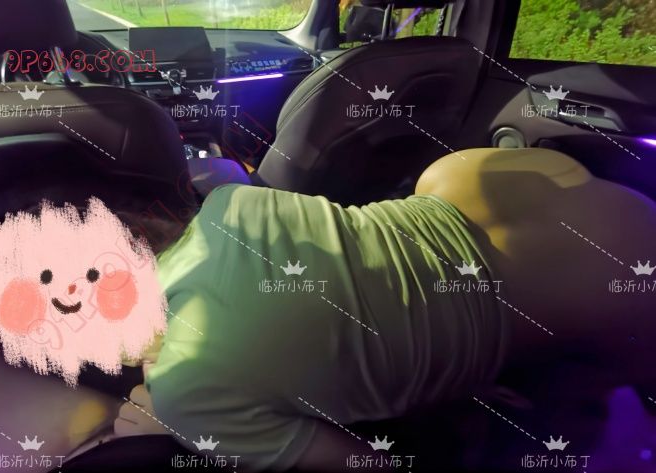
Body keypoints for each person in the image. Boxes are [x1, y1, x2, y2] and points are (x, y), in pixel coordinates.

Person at [113, 147, 655, 472]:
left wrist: (180, 433)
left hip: (620, 310)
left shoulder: (186, 397)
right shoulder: (233, 201)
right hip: (506, 185)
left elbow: (369, 463)